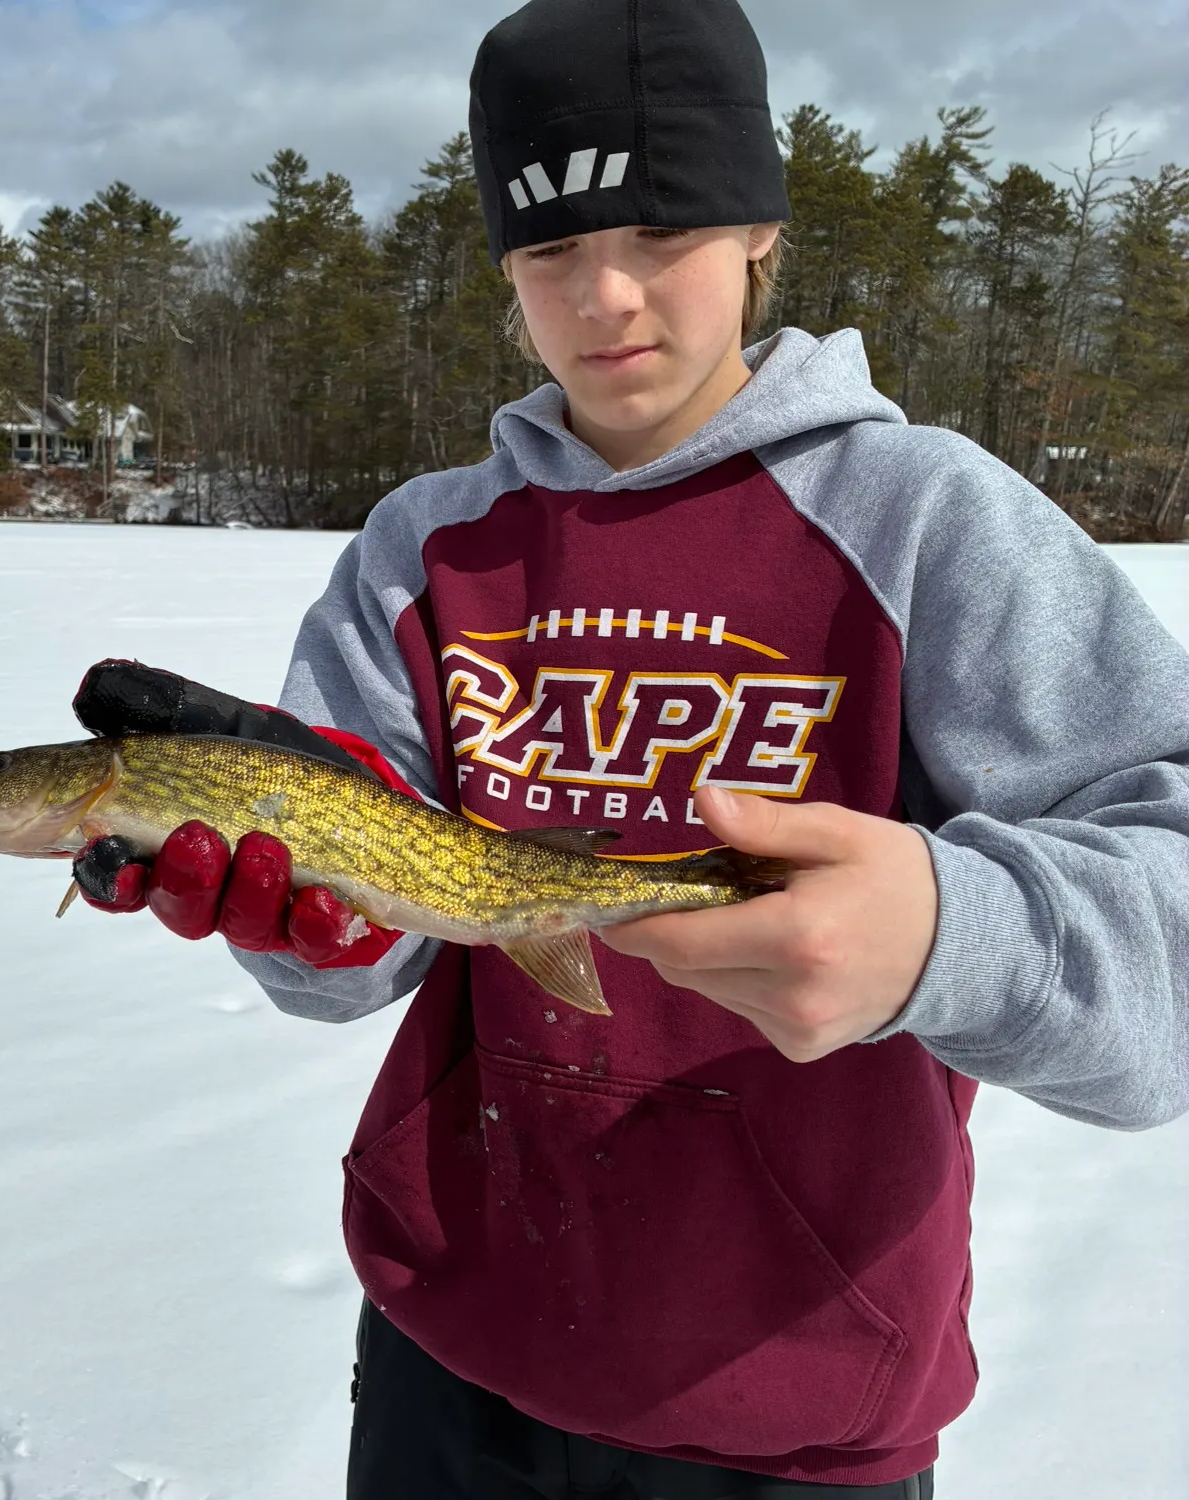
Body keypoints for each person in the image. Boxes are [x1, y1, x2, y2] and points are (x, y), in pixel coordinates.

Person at [70, 1, 1189, 1494]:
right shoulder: (425, 550)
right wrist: (309, 924)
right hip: (454, 1337)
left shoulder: (928, 523)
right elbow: (342, 960)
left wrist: (942, 929)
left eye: (660, 233)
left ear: (760, 234)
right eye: (545, 252)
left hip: (794, 1383)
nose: (603, 296)